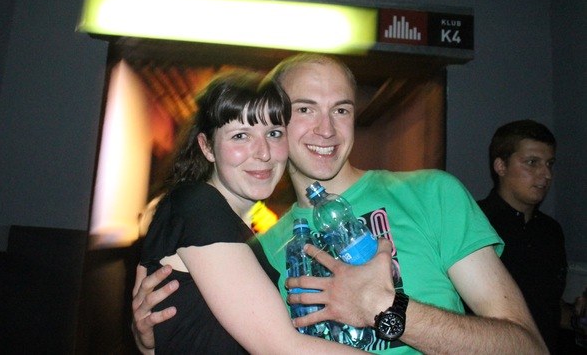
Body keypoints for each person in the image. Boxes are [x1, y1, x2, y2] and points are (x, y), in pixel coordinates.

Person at [133, 54, 548, 354]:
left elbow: (528, 347)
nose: (327, 129)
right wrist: (150, 340)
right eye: (305, 109)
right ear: (276, 118)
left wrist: (386, 308)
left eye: (341, 110)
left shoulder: (432, 194)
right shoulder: (260, 250)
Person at [137, 70, 376, 354]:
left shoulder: (236, 227)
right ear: (207, 147)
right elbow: (282, 348)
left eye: (273, 133)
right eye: (241, 136)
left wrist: (145, 342)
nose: (263, 153)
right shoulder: (198, 205)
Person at [476, 119, 577, 353]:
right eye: (532, 163)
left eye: (549, 164)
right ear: (501, 166)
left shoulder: (550, 231)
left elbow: (546, 306)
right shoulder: (474, 223)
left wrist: (576, 316)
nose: (546, 174)